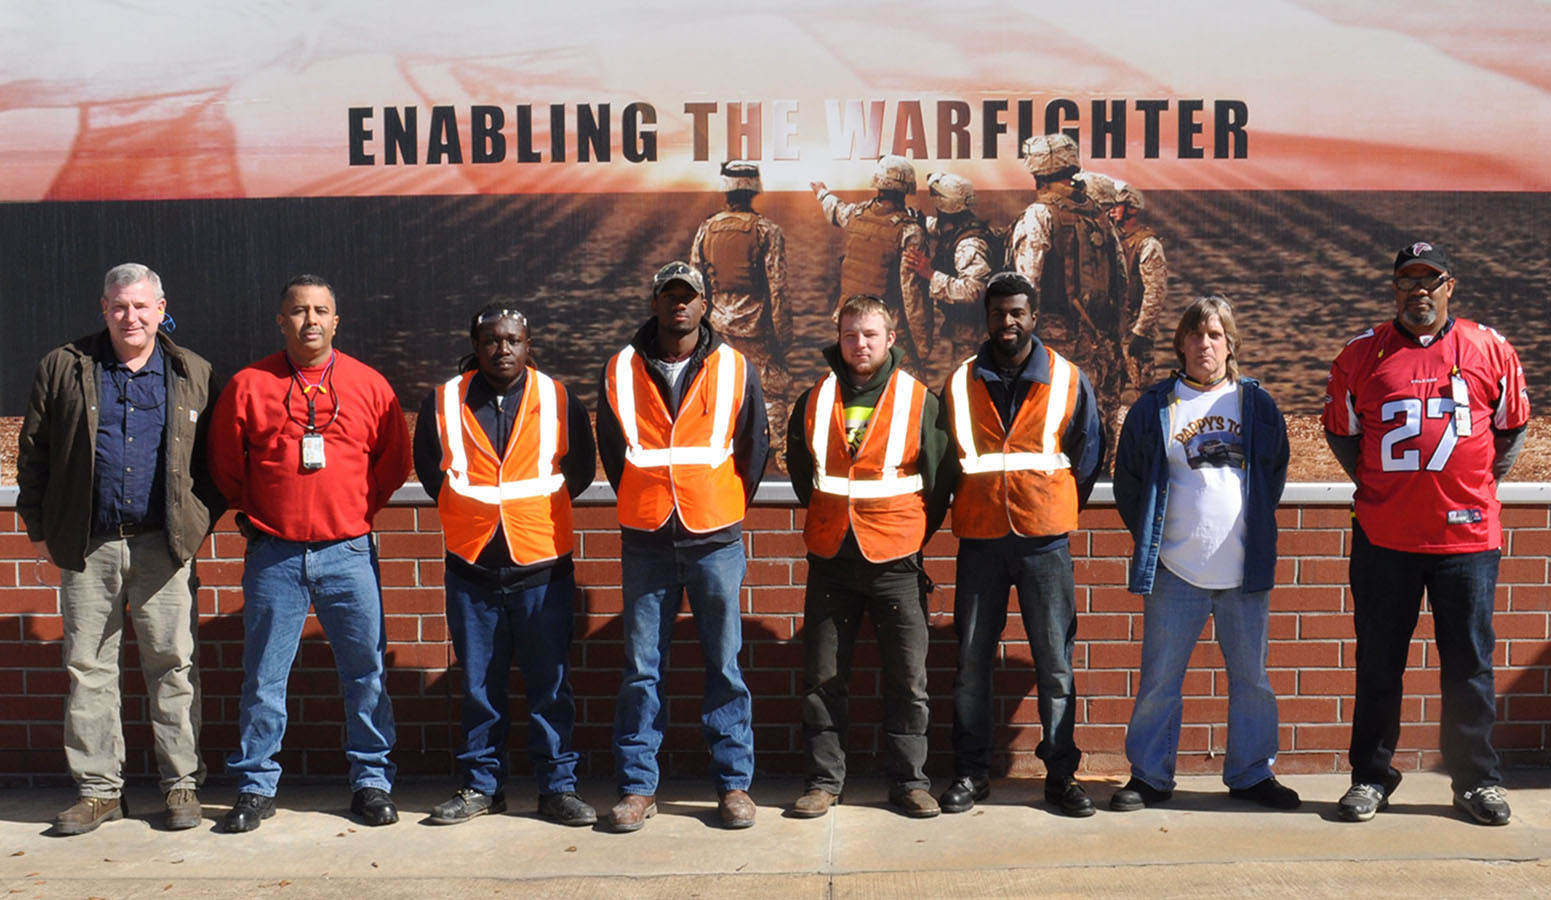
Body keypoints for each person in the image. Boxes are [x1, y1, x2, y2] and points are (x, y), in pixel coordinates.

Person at [1323, 242, 1530, 826]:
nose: (1420, 290)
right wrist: (1386, 488)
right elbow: (1344, 435)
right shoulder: (1362, 353)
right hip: (1385, 540)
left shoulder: (1490, 347)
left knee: (1469, 664)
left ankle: (1475, 782)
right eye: (1408, 279)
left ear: (1449, 287)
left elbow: (1511, 430)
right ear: (1394, 288)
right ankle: (1370, 776)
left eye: (1430, 280)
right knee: (1379, 663)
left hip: (1466, 543)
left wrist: (1472, 484)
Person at [16, 263, 222, 835]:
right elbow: (34, 455)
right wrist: (41, 531)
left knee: (174, 666)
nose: (129, 317)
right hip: (89, 547)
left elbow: (213, 464)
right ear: (103, 309)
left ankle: (181, 785)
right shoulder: (64, 367)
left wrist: (195, 526)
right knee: (88, 669)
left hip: (164, 546)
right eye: (118, 307)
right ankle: (99, 791)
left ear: (161, 308)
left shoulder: (191, 371)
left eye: (140, 306)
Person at [207, 274, 410, 833]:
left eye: (322, 310)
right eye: (299, 311)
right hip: (275, 557)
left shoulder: (369, 385)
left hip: (348, 554)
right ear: (282, 320)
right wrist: (260, 513)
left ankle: (371, 781)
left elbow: (391, 464)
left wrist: (352, 512)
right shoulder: (250, 384)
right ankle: (254, 785)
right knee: (264, 679)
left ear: (337, 321)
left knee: (365, 672)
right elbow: (226, 464)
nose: (311, 320)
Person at [596, 261, 769, 832]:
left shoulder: (735, 367)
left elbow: (754, 446)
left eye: (689, 296)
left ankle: (734, 785)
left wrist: (718, 500)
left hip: (715, 535)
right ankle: (637, 788)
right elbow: (613, 449)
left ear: (705, 305)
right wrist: (648, 499)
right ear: (655, 303)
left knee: (724, 664)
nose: (679, 305)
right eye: (669, 295)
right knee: (642, 669)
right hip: (646, 537)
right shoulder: (619, 367)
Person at [412, 303, 597, 827]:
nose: (503, 349)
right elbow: (431, 471)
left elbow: (578, 470)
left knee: (551, 684)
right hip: (471, 565)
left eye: (513, 340)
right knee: (478, 686)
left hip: (542, 565)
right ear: (476, 345)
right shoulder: (443, 401)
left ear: (529, 344)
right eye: (492, 340)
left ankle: (558, 787)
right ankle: (480, 786)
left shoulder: (559, 398)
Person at [1111, 295, 1298, 812]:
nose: (1204, 344)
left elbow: (1274, 471)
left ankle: (1251, 773)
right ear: (1181, 344)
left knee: (1253, 680)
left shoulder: (1255, 404)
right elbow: (1130, 483)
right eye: (1195, 334)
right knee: (1159, 681)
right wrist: (1158, 537)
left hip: (1243, 571)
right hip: (1176, 570)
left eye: (1214, 335)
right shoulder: (1156, 406)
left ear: (1230, 343)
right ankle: (1149, 776)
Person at [938, 271, 1105, 817]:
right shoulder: (960, 381)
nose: (1007, 323)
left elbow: (1087, 455)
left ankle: (1061, 776)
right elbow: (946, 460)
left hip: (1044, 542)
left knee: (1055, 664)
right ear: (985, 318)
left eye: (1017, 313)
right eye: (997, 313)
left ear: (1033, 317)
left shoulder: (1066, 377)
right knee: (970, 663)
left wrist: (1051, 502)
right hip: (981, 539)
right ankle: (970, 772)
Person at [785, 294, 954, 819]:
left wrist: (912, 532)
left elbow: (941, 477)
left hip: (897, 557)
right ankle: (824, 780)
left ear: (890, 339)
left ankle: (909, 781)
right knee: (824, 677)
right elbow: (800, 472)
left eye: (870, 335)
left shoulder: (918, 399)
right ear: (839, 337)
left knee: (908, 679)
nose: (860, 344)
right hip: (832, 555)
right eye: (851, 334)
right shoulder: (813, 399)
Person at [1009, 134, 1129, 429]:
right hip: (1101, 340)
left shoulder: (1039, 214)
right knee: (1098, 423)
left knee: (1053, 424)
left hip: (1055, 344)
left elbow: (1026, 287)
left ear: (1037, 172)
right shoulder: (1099, 215)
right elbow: (1122, 280)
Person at [690, 160, 793, 460]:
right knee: (772, 389)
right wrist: (783, 337)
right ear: (755, 189)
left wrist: (702, 329)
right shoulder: (767, 231)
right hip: (757, 325)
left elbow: (696, 283)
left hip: (718, 324)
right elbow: (778, 288)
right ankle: (773, 456)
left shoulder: (706, 229)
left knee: (722, 384)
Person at [811, 155, 932, 367]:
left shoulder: (855, 214)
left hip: (849, 320)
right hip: (886, 327)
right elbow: (912, 295)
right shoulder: (909, 231)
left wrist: (821, 192)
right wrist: (922, 345)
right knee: (906, 389)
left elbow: (835, 208)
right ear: (906, 189)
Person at [903, 171, 995, 374]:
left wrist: (930, 273)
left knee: (968, 389)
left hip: (975, 337)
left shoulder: (969, 244)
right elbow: (937, 228)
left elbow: (974, 291)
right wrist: (912, 219)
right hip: (969, 334)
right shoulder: (958, 228)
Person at [1111, 181, 1168, 410]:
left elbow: (1155, 292)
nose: (1112, 209)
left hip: (1136, 329)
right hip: (1115, 327)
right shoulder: (1113, 240)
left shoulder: (1148, 245)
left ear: (1131, 209)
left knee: (1143, 392)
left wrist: (1141, 332)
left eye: (1118, 205)